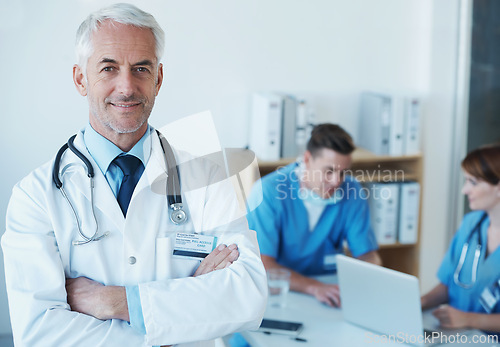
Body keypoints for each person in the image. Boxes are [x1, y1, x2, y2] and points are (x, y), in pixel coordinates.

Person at [1, 4, 267, 346]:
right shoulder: (35, 197)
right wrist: (174, 323)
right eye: (108, 68)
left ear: (158, 78)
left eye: (140, 68)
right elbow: (39, 334)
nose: (126, 87)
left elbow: (247, 295)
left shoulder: (207, 178)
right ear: (81, 79)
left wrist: (114, 302)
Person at [247, 123, 381, 307]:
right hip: (279, 295)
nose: (336, 181)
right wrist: (314, 287)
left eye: (342, 172)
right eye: (329, 171)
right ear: (308, 159)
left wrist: (370, 274)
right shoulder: (268, 192)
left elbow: (367, 255)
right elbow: (263, 263)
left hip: (330, 295)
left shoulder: (352, 191)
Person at [421, 143, 500, 333]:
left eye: (473, 182)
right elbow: (448, 285)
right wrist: (418, 302)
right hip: (455, 334)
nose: (465, 190)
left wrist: (468, 319)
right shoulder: (471, 224)